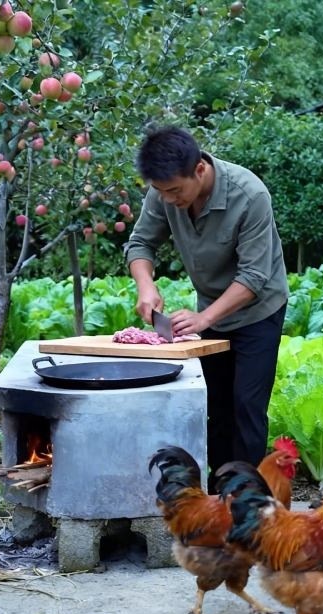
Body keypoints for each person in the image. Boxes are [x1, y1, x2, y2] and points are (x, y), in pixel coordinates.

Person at [124, 126, 289, 476]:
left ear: (199, 169)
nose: (168, 199)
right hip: (212, 309)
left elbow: (254, 278)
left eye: (174, 191)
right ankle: (217, 495)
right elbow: (140, 244)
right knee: (213, 404)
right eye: (160, 192)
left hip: (258, 310)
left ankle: (249, 503)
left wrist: (203, 319)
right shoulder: (163, 191)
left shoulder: (250, 195)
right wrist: (146, 286)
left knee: (247, 406)